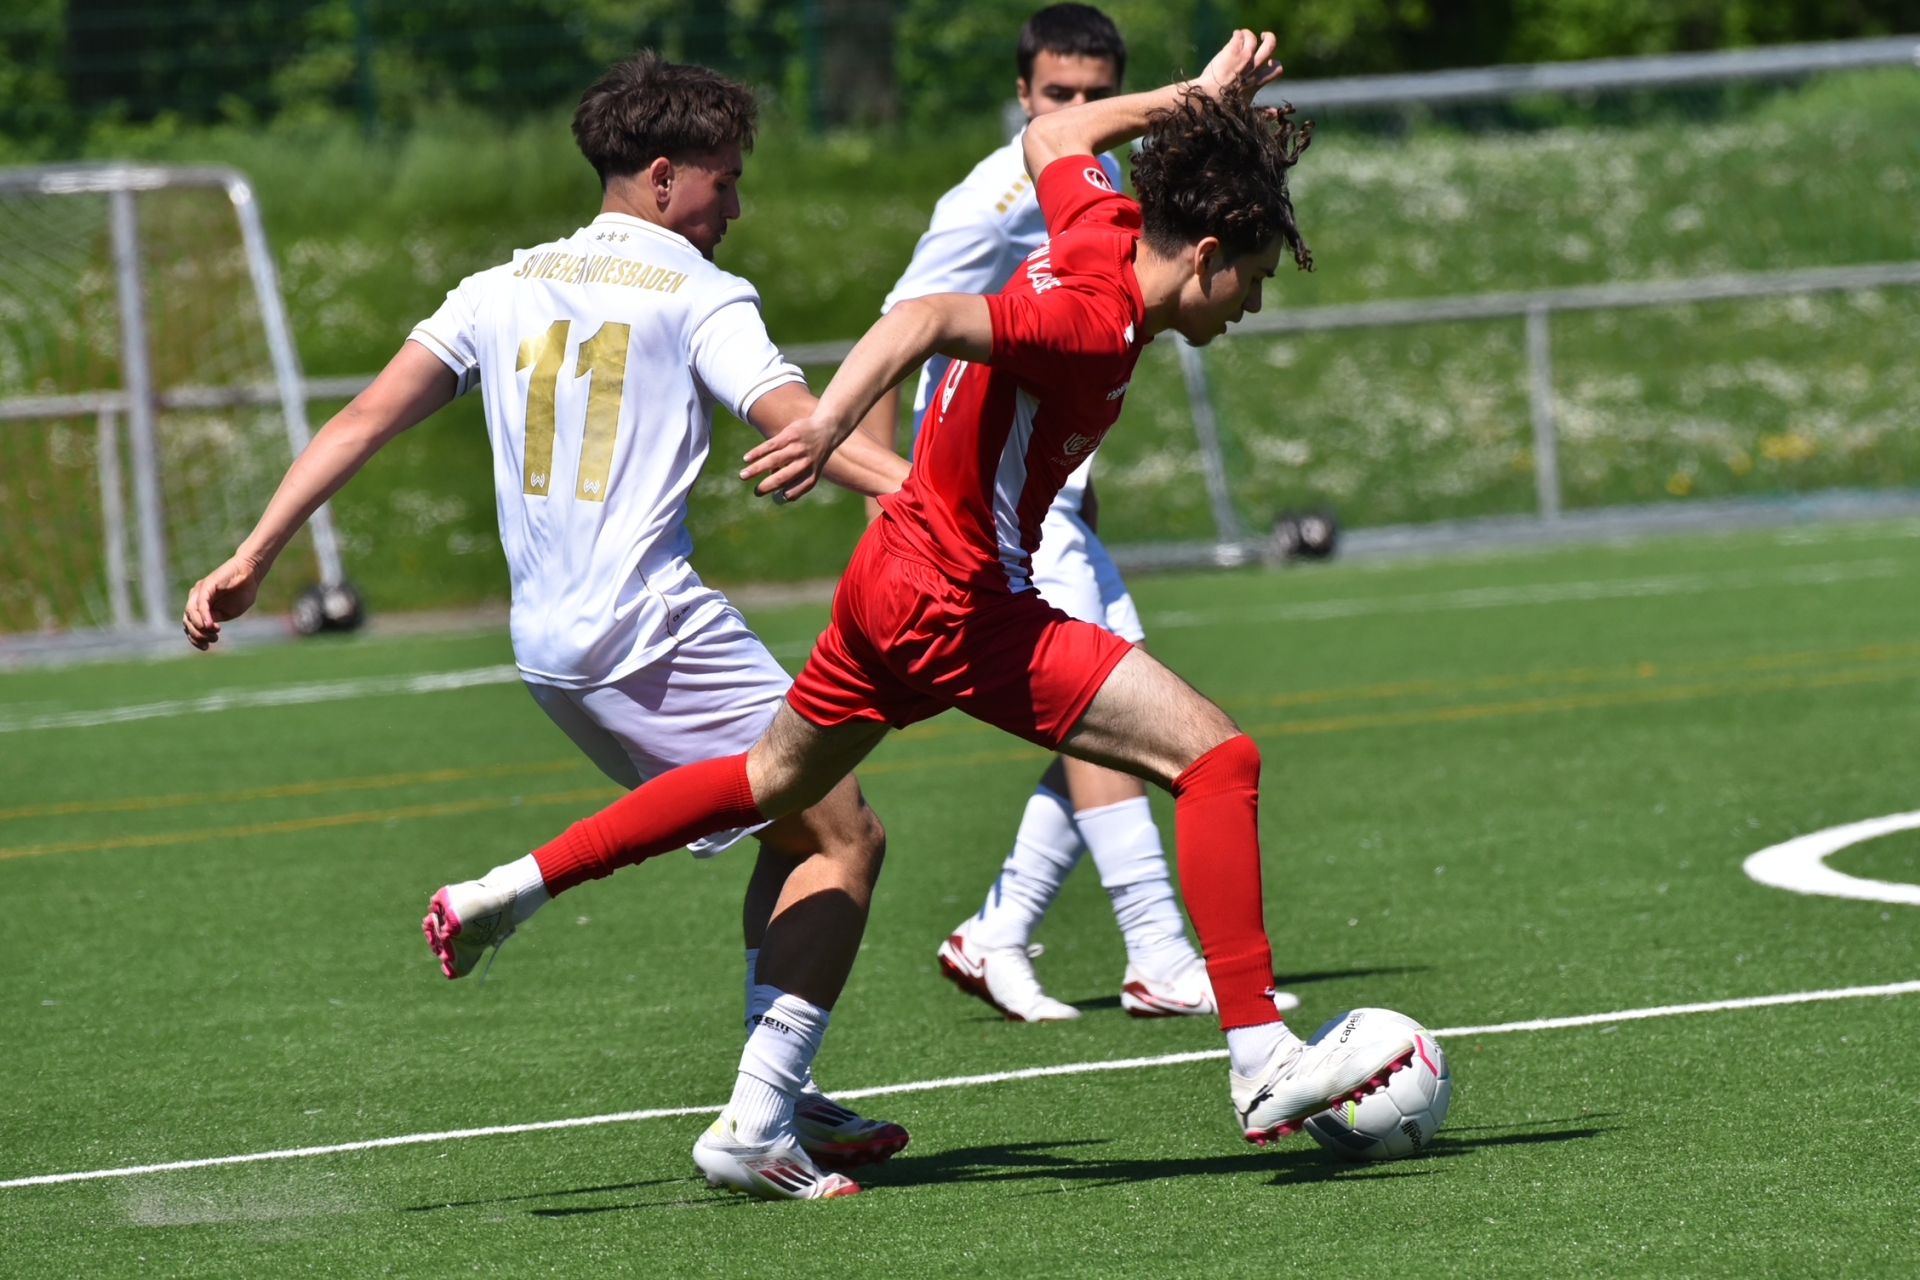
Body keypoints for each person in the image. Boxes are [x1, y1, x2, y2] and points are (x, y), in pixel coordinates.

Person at [431, 30, 1419, 1202]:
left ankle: (513, 892)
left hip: (888, 578)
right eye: (1250, 279)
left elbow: (1057, 133)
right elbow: (923, 321)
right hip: (959, 601)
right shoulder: (1093, 313)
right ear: (1205, 254)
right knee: (1216, 757)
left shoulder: (1099, 223)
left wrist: (1193, 99)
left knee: (769, 780)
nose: (1249, 305)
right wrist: (826, 425)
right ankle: (1259, 1053)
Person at [182, 52, 913, 1200]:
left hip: (549, 651)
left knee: (793, 830)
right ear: (663, 177)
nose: (734, 206)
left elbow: (365, 415)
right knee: (846, 835)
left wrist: (254, 552)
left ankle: (782, 1086)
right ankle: (757, 1117)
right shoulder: (697, 288)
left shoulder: (499, 285)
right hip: (652, 626)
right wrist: (929, 501)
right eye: (723, 180)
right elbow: (794, 418)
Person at [861, 2, 1299, 1023]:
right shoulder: (988, 199)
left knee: (1127, 702)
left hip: (1046, 490)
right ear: (1025, 94)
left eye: (1098, 93)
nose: (1079, 107)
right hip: (979, 495)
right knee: (1130, 702)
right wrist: (886, 494)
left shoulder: (1108, 180)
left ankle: (1000, 928)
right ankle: (1153, 947)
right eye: (1059, 93)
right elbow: (905, 328)